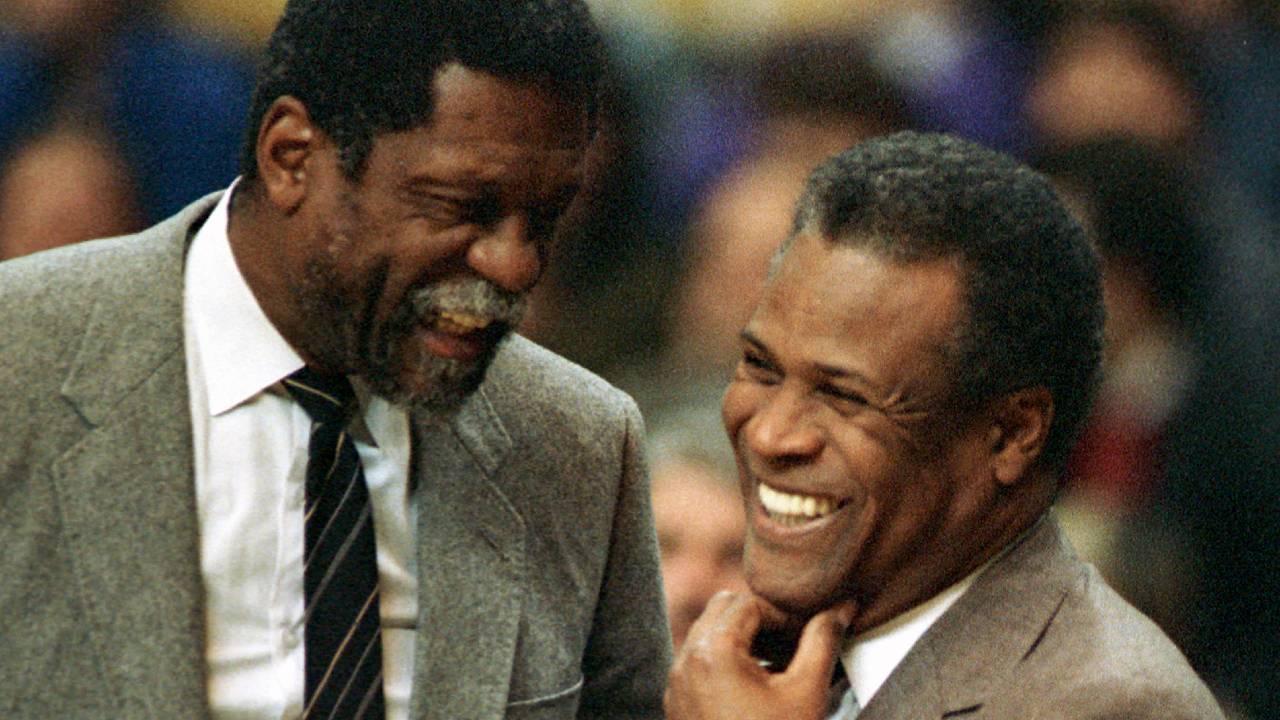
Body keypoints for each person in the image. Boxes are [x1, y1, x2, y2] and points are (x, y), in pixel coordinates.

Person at [0, 0, 670, 718]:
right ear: (291, 157)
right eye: (458, 207)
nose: (515, 265)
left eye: (545, 217)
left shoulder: (579, 444)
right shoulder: (21, 365)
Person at [664, 131, 1224, 720]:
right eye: (760, 366)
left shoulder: (1115, 705)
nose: (770, 435)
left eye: (844, 396)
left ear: (1010, 435)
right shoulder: (728, 655)